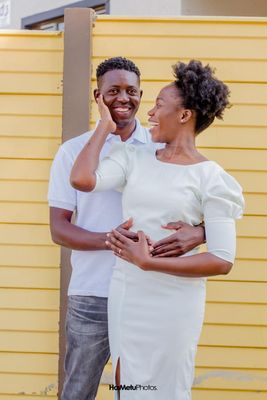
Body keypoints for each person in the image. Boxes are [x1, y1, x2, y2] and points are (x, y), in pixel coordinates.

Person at [70, 59, 244, 400]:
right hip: (128, 291)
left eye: (158, 105)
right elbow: (82, 179)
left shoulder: (213, 179)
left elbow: (222, 260)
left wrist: (151, 262)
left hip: (175, 302)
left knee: (167, 385)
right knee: (129, 384)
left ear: (184, 116)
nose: (148, 113)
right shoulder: (134, 158)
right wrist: (104, 126)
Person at [48, 57, 205, 400]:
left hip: (145, 290)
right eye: (113, 91)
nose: (123, 98)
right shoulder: (72, 153)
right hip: (92, 294)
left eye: (131, 91)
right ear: (97, 96)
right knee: (78, 390)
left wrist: (201, 232)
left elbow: (202, 201)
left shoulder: (160, 147)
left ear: (141, 95)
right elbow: (59, 229)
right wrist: (112, 241)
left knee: (135, 389)